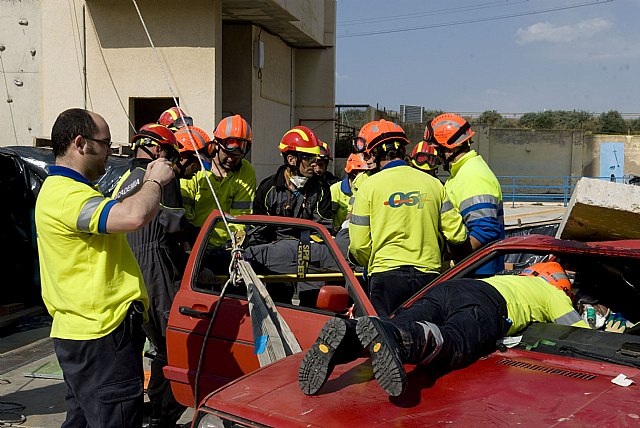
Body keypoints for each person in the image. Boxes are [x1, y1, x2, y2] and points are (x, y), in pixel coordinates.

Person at [36, 108, 174, 427]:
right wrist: (153, 180)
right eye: (106, 143)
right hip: (101, 334)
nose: (111, 152)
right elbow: (132, 217)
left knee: (82, 420)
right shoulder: (67, 195)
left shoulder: (70, 191)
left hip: (85, 333)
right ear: (81, 143)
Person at [298, 261, 590, 397]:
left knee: (393, 326)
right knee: (455, 341)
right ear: (559, 284)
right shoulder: (553, 292)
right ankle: (402, 341)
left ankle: (348, 336)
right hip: (488, 304)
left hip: (449, 288)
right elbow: (581, 335)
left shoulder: (511, 278)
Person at [348, 119, 469, 316]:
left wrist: (369, 261)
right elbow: (457, 235)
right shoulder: (434, 184)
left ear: (375, 152)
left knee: (385, 339)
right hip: (429, 275)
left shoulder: (367, 188)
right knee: (426, 336)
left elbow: (359, 246)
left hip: (385, 276)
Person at [112, 123, 188, 427]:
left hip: (127, 270)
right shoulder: (159, 178)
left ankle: (133, 413)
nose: (170, 162)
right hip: (156, 267)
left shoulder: (124, 180)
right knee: (169, 346)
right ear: (157, 149)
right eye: (169, 153)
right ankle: (163, 415)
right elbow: (175, 227)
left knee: (134, 347)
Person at [426, 113, 505, 275]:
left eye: (437, 149)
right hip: (471, 269)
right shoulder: (461, 173)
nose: (436, 155)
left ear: (450, 147)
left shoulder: (472, 175)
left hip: (478, 272)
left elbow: (485, 229)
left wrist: (448, 254)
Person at [180, 114, 256, 247]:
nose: (232, 159)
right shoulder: (195, 167)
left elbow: (240, 218)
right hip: (194, 244)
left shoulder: (246, 172)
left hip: (227, 246)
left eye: (237, 156)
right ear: (216, 145)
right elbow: (185, 215)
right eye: (227, 153)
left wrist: (233, 246)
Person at [254, 125, 333, 229]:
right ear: (291, 160)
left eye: (315, 158)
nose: (314, 164)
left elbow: (322, 229)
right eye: (309, 159)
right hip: (274, 244)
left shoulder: (322, 189)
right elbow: (259, 232)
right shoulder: (268, 189)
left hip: (308, 244)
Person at [330, 152, 369, 231]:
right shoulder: (335, 190)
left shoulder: (368, 191)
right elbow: (329, 218)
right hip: (339, 234)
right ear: (353, 173)